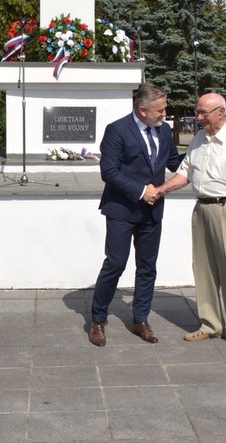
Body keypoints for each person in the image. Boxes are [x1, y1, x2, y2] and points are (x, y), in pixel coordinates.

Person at [154, 92, 226, 351]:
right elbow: (184, 174)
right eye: (198, 112)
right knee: (204, 270)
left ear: (221, 113)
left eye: (203, 113)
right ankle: (210, 325)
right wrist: (159, 190)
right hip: (202, 210)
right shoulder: (199, 139)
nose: (198, 117)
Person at [89, 83, 185, 347]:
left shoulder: (164, 130)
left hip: (152, 212)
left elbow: (174, 162)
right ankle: (98, 319)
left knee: (147, 267)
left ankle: (140, 319)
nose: (165, 114)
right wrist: (142, 191)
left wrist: (201, 151)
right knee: (116, 263)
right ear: (143, 110)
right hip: (122, 210)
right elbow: (109, 172)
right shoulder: (117, 130)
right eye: (160, 110)